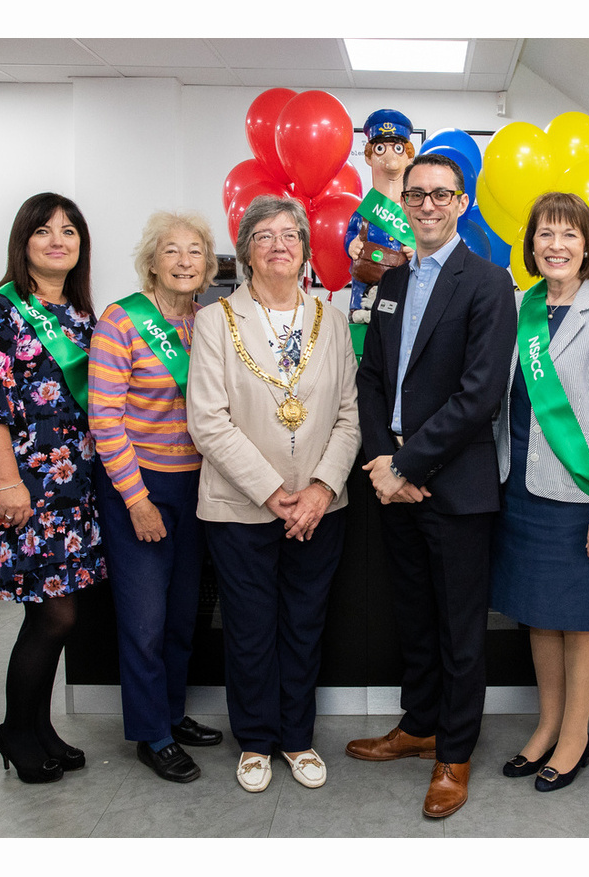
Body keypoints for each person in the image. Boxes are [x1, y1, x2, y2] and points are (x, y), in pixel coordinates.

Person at [346, 152, 517, 818]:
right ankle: (418, 724)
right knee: (412, 615)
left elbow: (479, 397)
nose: (426, 206)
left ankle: (454, 750)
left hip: (455, 486)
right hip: (395, 481)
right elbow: (370, 379)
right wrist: (384, 459)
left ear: (463, 202)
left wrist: (407, 465)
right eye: (416, 196)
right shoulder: (389, 279)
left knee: (458, 627)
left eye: (440, 195)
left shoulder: (488, 282)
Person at [188, 195, 359, 793]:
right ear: (247, 253)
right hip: (239, 507)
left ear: (307, 250)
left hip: (319, 507)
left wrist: (317, 489)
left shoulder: (331, 320)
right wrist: (270, 492)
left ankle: (296, 737)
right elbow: (208, 421)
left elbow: (349, 417)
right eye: (264, 235)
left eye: (291, 234)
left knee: (305, 623)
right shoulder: (215, 320)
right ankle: (256, 740)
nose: (279, 243)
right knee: (250, 626)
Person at [0, 192, 105, 783]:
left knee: (52, 615)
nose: (58, 241)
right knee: (53, 618)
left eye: (69, 231)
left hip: (73, 489)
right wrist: (11, 484)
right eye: (44, 231)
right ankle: (17, 732)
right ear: (24, 242)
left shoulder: (79, 315)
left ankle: (37, 729)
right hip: (28, 490)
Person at [491, 192, 589, 792]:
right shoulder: (518, 307)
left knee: (580, 621)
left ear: (588, 246)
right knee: (538, 618)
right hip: (520, 489)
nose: (556, 245)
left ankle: (575, 736)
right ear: (530, 244)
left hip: (583, 496)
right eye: (545, 234)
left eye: (569, 235)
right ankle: (546, 724)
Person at [88, 211, 224, 784]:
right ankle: (152, 734)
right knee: (144, 619)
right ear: (152, 261)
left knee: (181, 616)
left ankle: (171, 713)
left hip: (196, 486)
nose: (185, 262)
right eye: (172, 251)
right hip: (136, 485)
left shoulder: (210, 323)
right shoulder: (120, 322)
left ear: (209, 266)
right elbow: (105, 417)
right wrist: (136, 499)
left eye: (196, 252)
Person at [344, 108, 415, 324]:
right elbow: (351, 230)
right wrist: (351, 243)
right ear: (369, 157)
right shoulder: (366, 209)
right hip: (367, 274)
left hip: (402, 283)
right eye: (381, 148)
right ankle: (357, 308)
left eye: (398, 148)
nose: (391, 157)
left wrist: (417, 250)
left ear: (409, 156)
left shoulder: (415, 210)